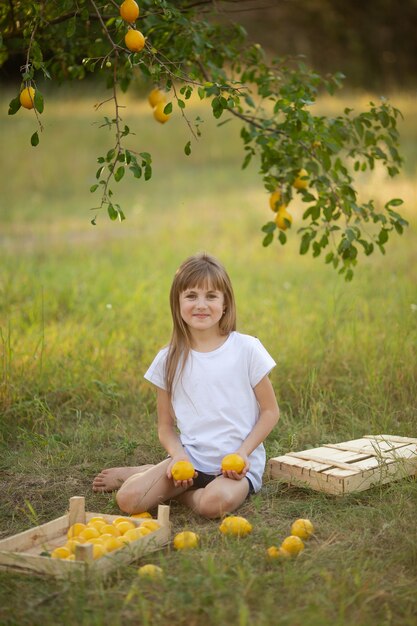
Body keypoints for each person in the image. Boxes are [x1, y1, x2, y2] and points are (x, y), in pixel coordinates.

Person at [93, 253, 279, 518]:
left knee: (211, 506)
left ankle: (169, 486)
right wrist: (179, 457)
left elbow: (270, 411)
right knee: (128, 500)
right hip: (189, 461)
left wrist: (243, 452)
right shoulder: (168, 360)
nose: (201, 305)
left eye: (211, 296)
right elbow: (165, 426)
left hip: (237, 465)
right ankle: (154, 474)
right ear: (177, 303)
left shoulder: (247, 349)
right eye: (191, 296)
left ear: (225, 303)